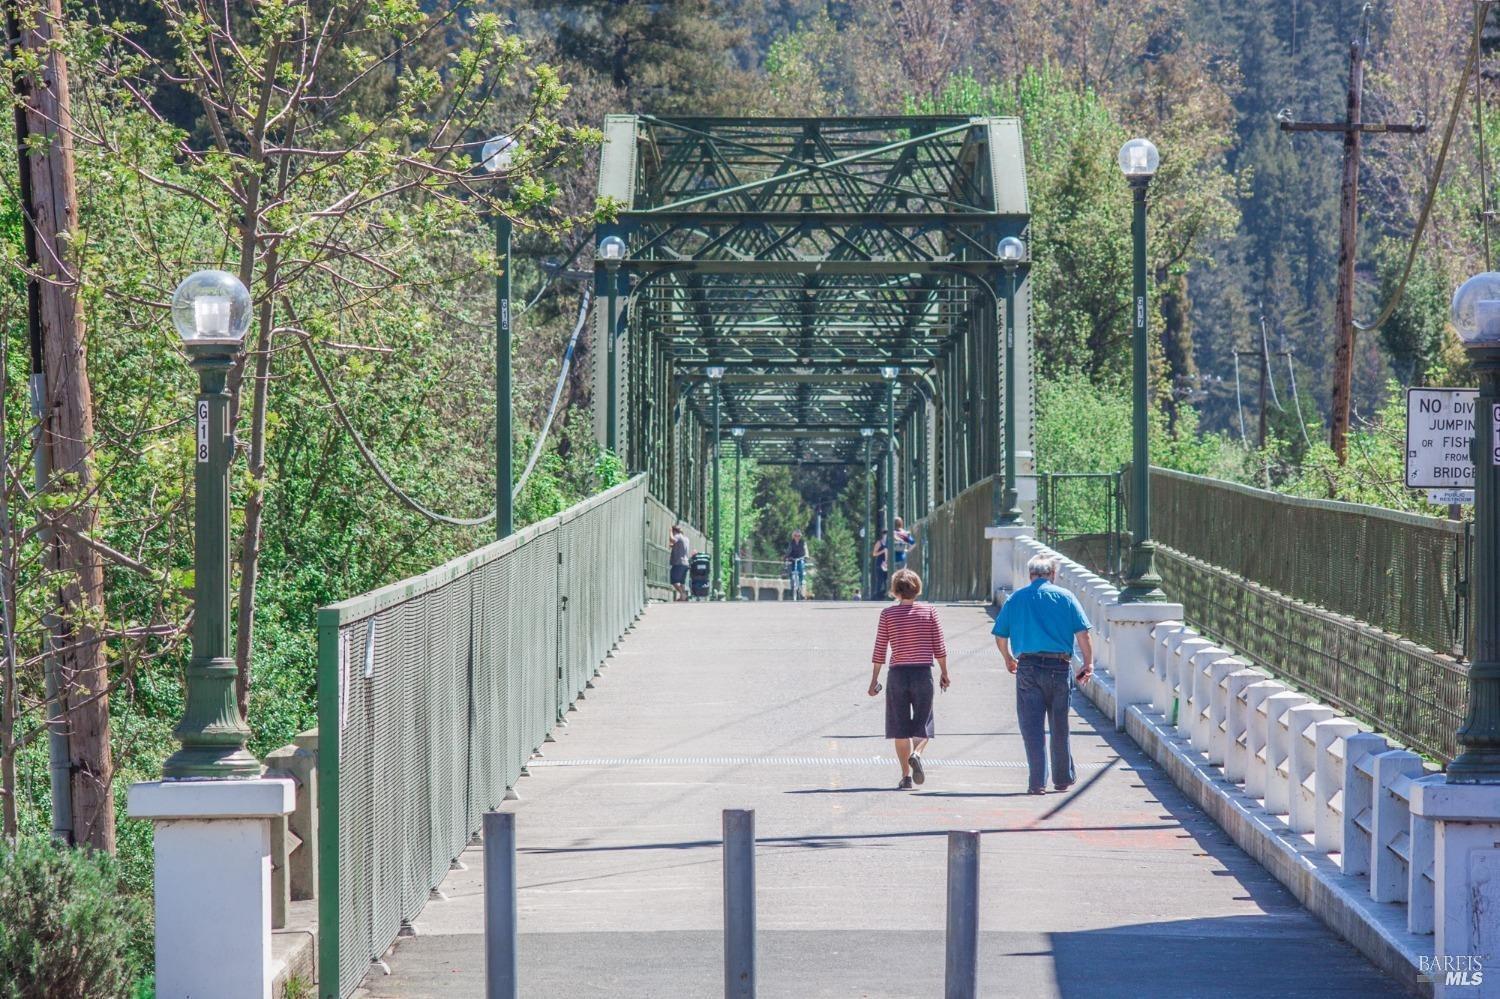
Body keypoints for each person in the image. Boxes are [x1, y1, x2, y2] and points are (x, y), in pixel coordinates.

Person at [992, 554, 1094, 795]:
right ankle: (1062, 779)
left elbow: (1000, 635)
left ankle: (1037, 782)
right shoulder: (1066, 597)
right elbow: (1083, 635)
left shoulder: (1016, 598)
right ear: (1053, 574)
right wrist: (1088, 663)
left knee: (1032, 728)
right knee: (1060, 725)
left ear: (1030, 575)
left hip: (1027, 667)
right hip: (1059, 667)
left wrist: (1007, 658)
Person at [868, 568, 950, 790]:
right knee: (924, 723)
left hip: (897, 675)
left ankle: (905, 777)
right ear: (917, 589)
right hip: (922, 673)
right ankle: (917, 753)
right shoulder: (929, 612)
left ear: (895, 591)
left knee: (900, 727)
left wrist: (874, 680)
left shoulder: (887, 615)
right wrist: (944, 672)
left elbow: (879, 650)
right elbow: (939, 647)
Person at [669, 525, 690, 602]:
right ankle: (683, 597)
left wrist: (670, 532)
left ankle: (683, 594)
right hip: (686, 563)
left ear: (675, 531)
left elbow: (672, 540)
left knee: (673, 581)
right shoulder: (686, 539)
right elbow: (680, 547)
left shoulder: (677, 536)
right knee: (682, 582)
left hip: (679, 562)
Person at [785, 529, 808, 599]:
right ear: (793, 536)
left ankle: (800, 587)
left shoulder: (803, 542)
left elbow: (805, 549)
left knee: (801, 570)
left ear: (800, 536)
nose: (797, 537)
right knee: (791, 573)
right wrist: (786, 557)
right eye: (795, 535)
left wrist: (806, 555)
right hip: (793, 559)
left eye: (798, 536)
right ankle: (792, 587)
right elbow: (789, 550)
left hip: (800, 558)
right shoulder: (791, 543)